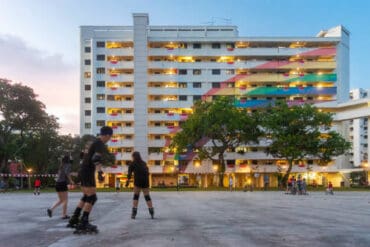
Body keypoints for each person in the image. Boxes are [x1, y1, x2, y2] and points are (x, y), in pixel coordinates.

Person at [68, 126, 113, 234]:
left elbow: (91, 158)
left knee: (86, 196)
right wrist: (100, 172)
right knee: (92, 197)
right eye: (110, 136)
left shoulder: (96, 142)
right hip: (87, 171)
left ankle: (74, 218)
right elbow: (95, 159)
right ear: (107, 135)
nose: (110, 139)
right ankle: (84, 222)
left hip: (83, 170)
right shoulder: (100, 144)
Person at [125, 151, 154, 219]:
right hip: (145, 182)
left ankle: (134, 213)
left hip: (137, 182)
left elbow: (129, 174)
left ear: (133, 157)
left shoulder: (132, 164)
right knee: (147, 197)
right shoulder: (144, 163)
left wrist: (128, 181)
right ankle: (151, 211)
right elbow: (148, 173)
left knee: (136, 196)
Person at [47, 155, 74, 219]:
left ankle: (51, 209)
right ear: (68, 160)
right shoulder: (68, 165)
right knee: (65, 200)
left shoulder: (61, 166)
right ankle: (64, 215)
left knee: (61, 200)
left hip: (57, 184)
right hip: (62, 183)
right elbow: (67, 173)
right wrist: (71, 180)